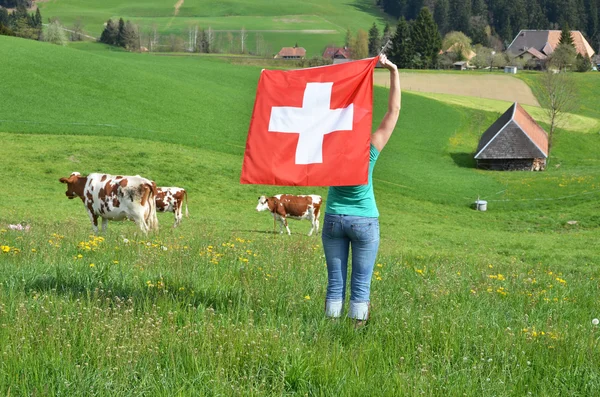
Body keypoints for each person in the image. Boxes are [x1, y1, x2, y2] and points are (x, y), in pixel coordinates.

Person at [322, 53, 401, 325]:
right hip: (365, 220)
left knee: (335, 282)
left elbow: (322, 116)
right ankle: (354, 333)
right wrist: (393, 71)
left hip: (333, 217)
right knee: (361, 284)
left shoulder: (330, 149)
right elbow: (394, 112)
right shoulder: (370, 150)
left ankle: (331, 330)